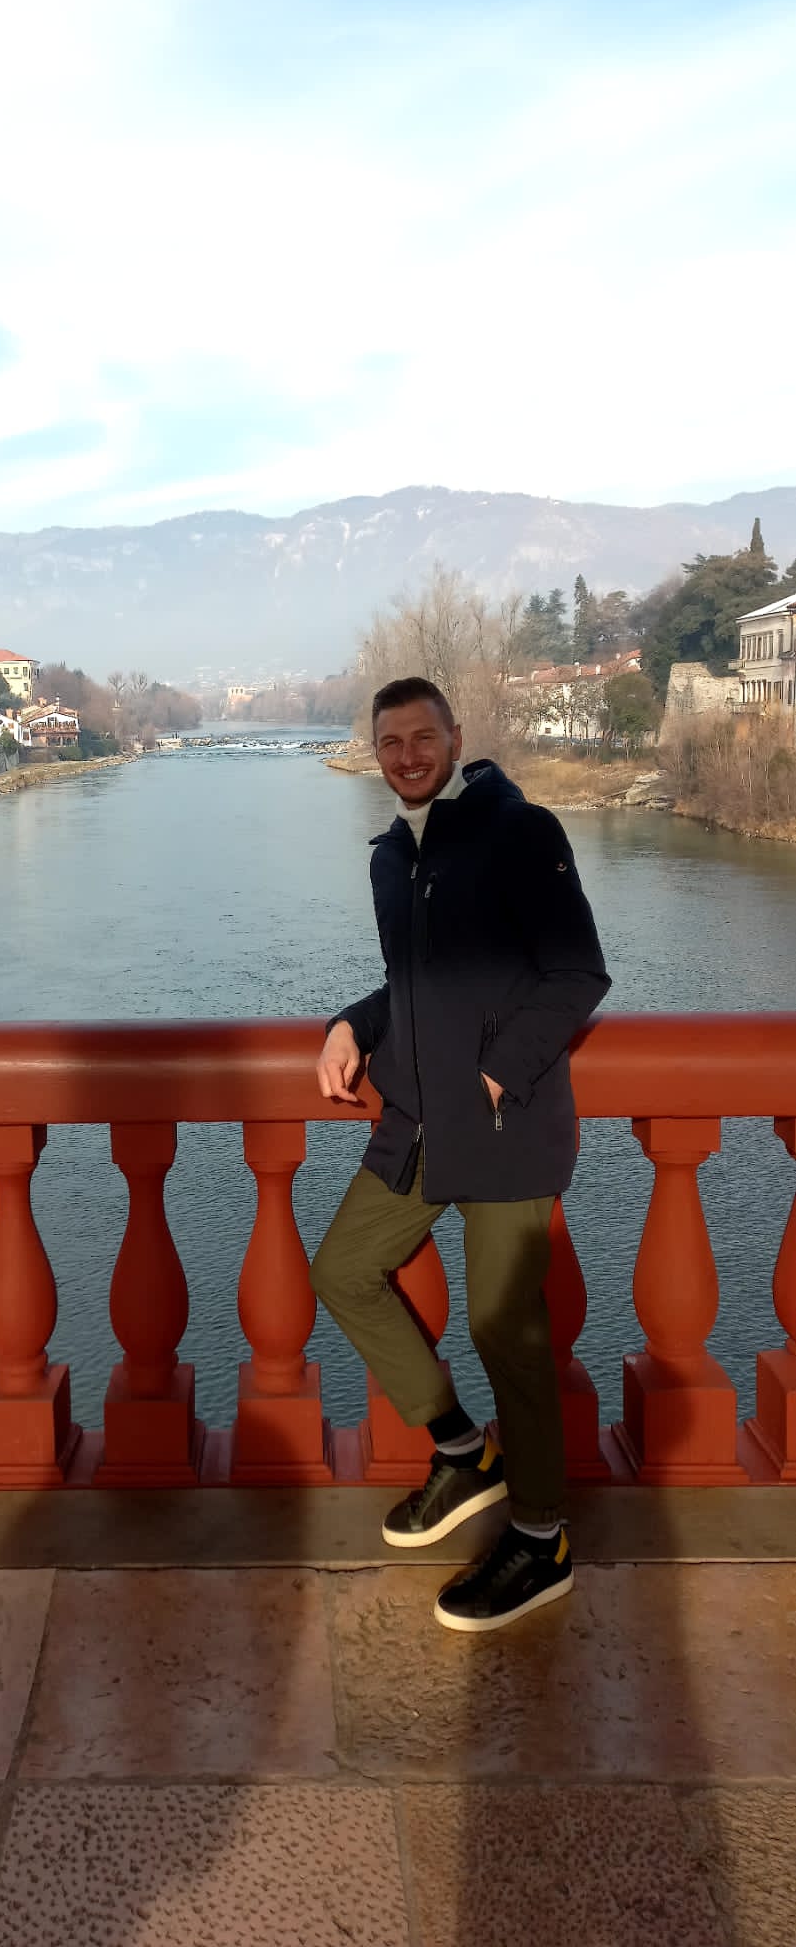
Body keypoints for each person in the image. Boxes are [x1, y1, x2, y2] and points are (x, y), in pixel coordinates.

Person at [311, 675, 610, 1631]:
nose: (406, 756)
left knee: (503, 1331)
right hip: (415, 1117)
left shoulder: (519, 830)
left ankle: (540, 1538)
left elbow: (576, 974)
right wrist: (352, 1022)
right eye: (389, 742)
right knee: (343, 1270)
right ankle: (460, 1450)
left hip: (502, 1124)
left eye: (421, 738)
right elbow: (411, 982)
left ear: (453, 737)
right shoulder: (391, 857)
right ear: (373, 751)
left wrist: (493, 1074)